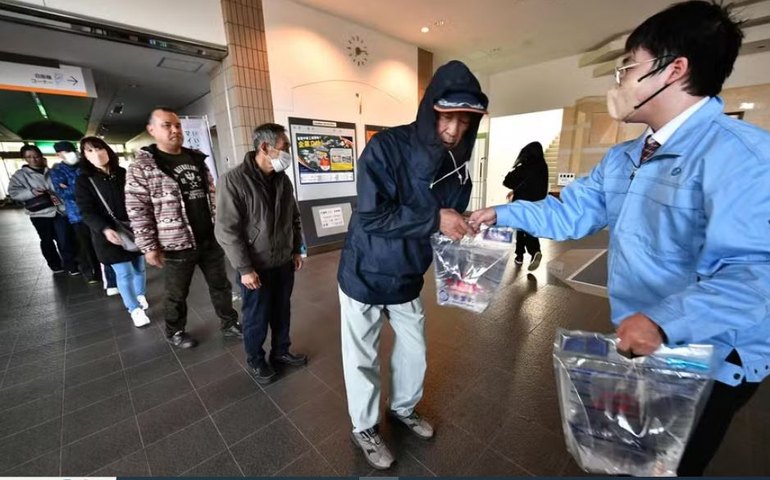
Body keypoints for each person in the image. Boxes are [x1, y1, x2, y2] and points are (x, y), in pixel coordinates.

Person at [470, 1, 769, 476]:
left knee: (670, 465)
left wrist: (663, 322)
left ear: (673, 70)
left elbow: (755, 274)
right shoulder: (624, 157)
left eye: (629, 66)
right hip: (643, 337)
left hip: (706, 356)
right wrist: (500, 212)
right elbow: (570, 213)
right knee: (635, 452)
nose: (620, 81)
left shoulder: (743, 157)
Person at [337, 60, 488, 470]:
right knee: (361, 355)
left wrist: (464, 225)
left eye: (464, 121)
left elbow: (445, 219)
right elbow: (372, 216)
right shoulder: (385, 148)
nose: (454, 130)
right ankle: (364, 426)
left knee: (415, 350)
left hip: (407, 275)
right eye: (446, 117)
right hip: (365, 271)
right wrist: (436, 219)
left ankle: (403, 407)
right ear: (429, 109)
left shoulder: (458, 165)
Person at [125, 107, 241, 348]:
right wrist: (149, 246)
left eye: (177, 125)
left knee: (221, 285)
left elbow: (212, 196)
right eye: (167, 125)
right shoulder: (143, 166)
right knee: (176, 293)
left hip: (209, 237)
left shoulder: (196, 158)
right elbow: (138, 209)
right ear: (151, 129)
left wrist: (222, 227)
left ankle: (229, 323)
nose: (175, 130)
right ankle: (175, 331)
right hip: (175, 242)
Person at [215, 123, 308, 385]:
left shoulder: (282, 179)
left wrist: (296, 249)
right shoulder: (233, 180)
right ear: (265, 147)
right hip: (255, 267)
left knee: (282, 311)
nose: (288, 151)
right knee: (256, 316)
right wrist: (245, 269)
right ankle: (256, 361)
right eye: (284, 146)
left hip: (283, 261)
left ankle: (281, 351)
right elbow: (226, 230)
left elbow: (293, 217)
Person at [75, 137, 151, 327]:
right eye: (89, 151)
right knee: (124, 273)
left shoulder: (122, 173)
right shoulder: (84, 180)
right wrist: (105, 229)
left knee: (139, 268)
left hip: (132, 229)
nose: (96, 153)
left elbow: (137, 199)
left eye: (98, 148)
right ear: (84, 156)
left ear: (107, 150)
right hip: (107, 235)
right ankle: (134, 309)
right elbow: (86, 211)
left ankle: (140, 295)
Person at [8, 145, 78, 275]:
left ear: (41, 156)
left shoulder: (52, 171)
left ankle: (71, 265)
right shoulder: (20, 175)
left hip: (59, 210)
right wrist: (32, 192)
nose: (33, 159)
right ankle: (55, 264)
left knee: (64, 238)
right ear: (24, 158)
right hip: (39, 213)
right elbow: (14, 192)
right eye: (29, 157)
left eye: (36, 156)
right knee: (47, 240)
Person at [50, 141, 101, 284]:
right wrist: (82, 188)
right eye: (66, 151)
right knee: (85, 246)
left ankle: (105, 271)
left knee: (100, 242)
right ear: (58, 155)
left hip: (96, 211)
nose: (71, 153)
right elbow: (63, 194)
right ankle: (92, 273)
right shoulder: (57, 171)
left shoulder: (85, 166)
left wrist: (71, 186)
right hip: (77, 215)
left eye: (72, 150)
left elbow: (95, 186)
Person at [502, 141, 549, 270]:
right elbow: (533, 184)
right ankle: (524, 254)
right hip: (538, 203)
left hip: (522, 203)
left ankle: (528, 253)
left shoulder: (526, 166)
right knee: (527, 227)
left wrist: (519, 168)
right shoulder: (543, 166)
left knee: (522, 228)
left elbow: (507, 181)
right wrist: (516, 190)